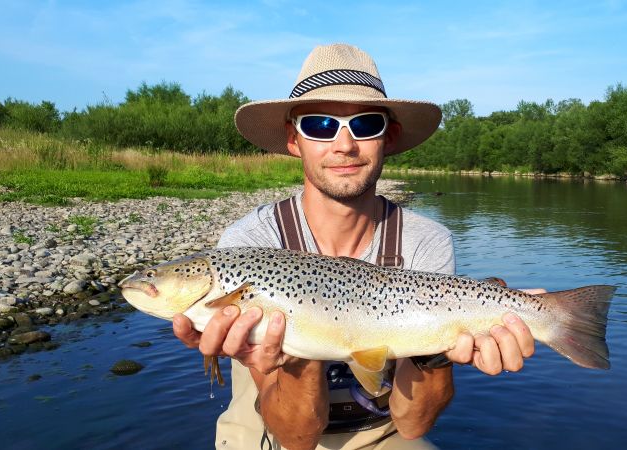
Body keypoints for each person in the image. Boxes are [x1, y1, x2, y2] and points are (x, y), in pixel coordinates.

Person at [173, 43, 536, 450]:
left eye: (365, 125)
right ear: (294, 140)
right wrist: (298, 348)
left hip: (382, 432)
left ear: (388, 137)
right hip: (269, 427)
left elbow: (413, 424)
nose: (344, 145)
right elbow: (296, 436)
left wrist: (436, 353)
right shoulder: (250, 244)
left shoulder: (426, 241)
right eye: (320, 126)